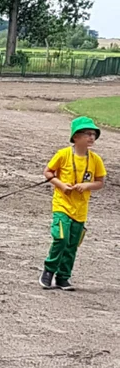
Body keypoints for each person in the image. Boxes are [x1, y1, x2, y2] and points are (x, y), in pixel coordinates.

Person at [39, 116, 106, 291]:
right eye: (87, 133)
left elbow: (100, 182)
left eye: (93, 134)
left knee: (72, 245)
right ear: (76, 137)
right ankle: (49, 270)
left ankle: (63, 277)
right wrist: (61, 185)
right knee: (61, 238)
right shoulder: (63, 155)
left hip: (80, 209)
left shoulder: (95, 160)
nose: (91, 137)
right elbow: (48, 172)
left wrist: (87, 185)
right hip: (62, 205)